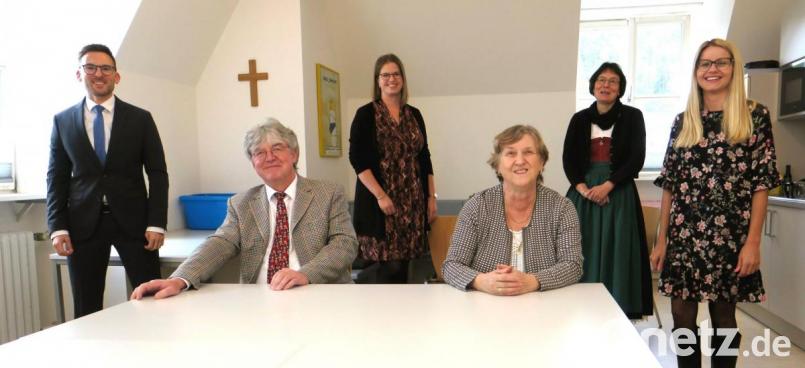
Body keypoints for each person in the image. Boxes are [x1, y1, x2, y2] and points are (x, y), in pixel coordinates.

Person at [650, 39, 780, 368]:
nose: (713, 69)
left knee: (723, 316)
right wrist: (661, 240)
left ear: (733, 68)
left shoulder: (755, 116)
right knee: (681, 314)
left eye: (721, 62)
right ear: (696, 71)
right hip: (684, 236)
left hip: (730, 237)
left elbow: (762, 184)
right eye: (705, 63)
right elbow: (669, 185)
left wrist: (753, 243)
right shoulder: (683, 121)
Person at [131, 119, 357, 299]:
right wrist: (179, 279)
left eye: (277, 148)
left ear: (294, 154)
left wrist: (305, 274)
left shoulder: (328, 193)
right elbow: (219, 244)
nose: (269, 157)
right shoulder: (241, 204)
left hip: (317, 293)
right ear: (253, 162)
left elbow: (344, 244)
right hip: (258, 299)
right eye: (259, 152)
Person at [47, 44, 169, 318]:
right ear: (79, 74)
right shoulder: (62, 121)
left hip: (136, 225)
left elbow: (158, 173)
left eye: (105, 68)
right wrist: (57, 227)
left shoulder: (140, 119)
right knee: (86, 308)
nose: (98, 74)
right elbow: (56, 177)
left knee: (152, 301)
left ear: (117, 76)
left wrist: (156, 222)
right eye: (90, 67)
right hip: (82, 226)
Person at [443, 125, 583, 295]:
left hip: (545, 305)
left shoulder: (562, 207)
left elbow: (573, 265)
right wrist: (481, 281)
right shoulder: (477, 206)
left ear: (542, 162)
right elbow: (452, 265)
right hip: (484, 304)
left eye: (528, 152)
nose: (520, 160)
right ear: (497, 165)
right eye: (510, 153)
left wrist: (533, 281)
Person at [562, 62, 653, 319]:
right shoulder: (579, 119)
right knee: (581, 247)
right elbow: (568, 158)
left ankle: (617, 310)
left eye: (613, 81)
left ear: (620, 88)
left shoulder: (633, 116)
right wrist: (583, 189)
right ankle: (579, 309)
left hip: (619, 193)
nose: (606, 85)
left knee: (618, 248)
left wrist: (608, 186)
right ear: (593, 86)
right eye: (601, 80)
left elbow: (636, 157)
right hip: (583, 194)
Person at [348, 53, 437, 283]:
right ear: (377, 81)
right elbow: (357, 159)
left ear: (403, 79)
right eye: (385, 75)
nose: (391, 79)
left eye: (396, 74)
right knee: (386, 268)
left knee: (406, 267)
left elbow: (425, 157)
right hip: (381, 205)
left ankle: (405, 307)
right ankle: (379, 308)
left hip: (412, 204)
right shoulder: (366, 114)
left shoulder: (414, 114)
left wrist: (431, 197)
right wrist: (381, 196)